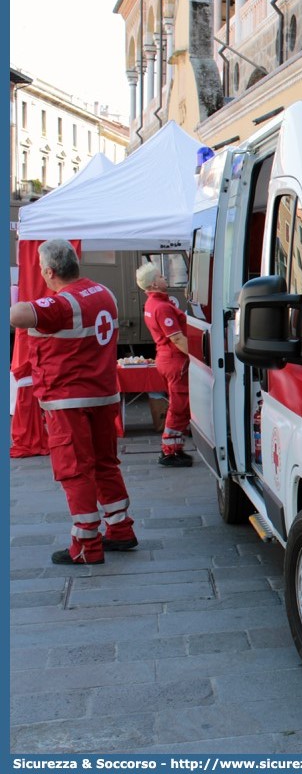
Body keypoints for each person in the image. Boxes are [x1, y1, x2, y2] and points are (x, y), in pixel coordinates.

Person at [9, 239, 137, 565]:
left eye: (41, 269)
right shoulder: (103, 292)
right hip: (104, 394)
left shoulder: (62, 305)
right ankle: (120, 528)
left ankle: (86, 545)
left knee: (75, 471)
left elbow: (20, 315)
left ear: (50, 271)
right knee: (105, 463)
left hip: (69, 401)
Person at [136, 261, 193, 467]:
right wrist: (199, 357)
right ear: (152, 284)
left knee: (180, 405)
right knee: (179, 406)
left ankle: (175, 447)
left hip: (167, 359)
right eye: (160, 276)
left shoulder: (153, 305)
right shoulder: (161, 307)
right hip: (176, 361)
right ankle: (169, 451)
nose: (164, 278)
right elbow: (177, 338)